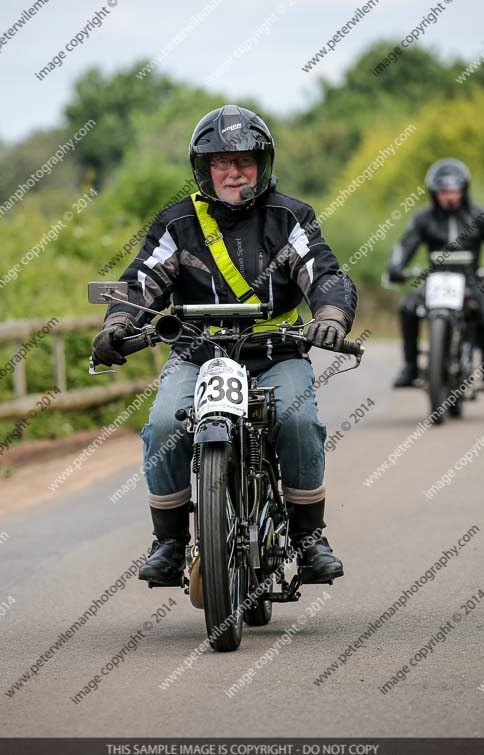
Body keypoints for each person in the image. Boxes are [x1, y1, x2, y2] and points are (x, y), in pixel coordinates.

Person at [92, 104, 357, 585]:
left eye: (243, 161)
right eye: (220, 162)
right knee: (159, 426)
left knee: (300, 421)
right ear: (202, 168)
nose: (232, 172)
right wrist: (118, 323)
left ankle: (308, 537)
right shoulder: (176, 223)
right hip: (198, 354)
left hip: (276, 352)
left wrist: (331, 316)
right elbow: (141, 281)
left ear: (263, 165)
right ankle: (170, 542)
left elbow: (325, 272)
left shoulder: (290, 217)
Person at [388, 158, 484, 389]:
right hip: (434, 279)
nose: (449, 196)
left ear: (463, 190)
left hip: (471, 280)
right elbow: (404, 246)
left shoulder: (481, 216)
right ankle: (411, 366)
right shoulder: (423, 218)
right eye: (443, 191)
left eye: (454, 191)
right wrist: (396, 268)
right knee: (407, 308)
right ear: (434, 192)